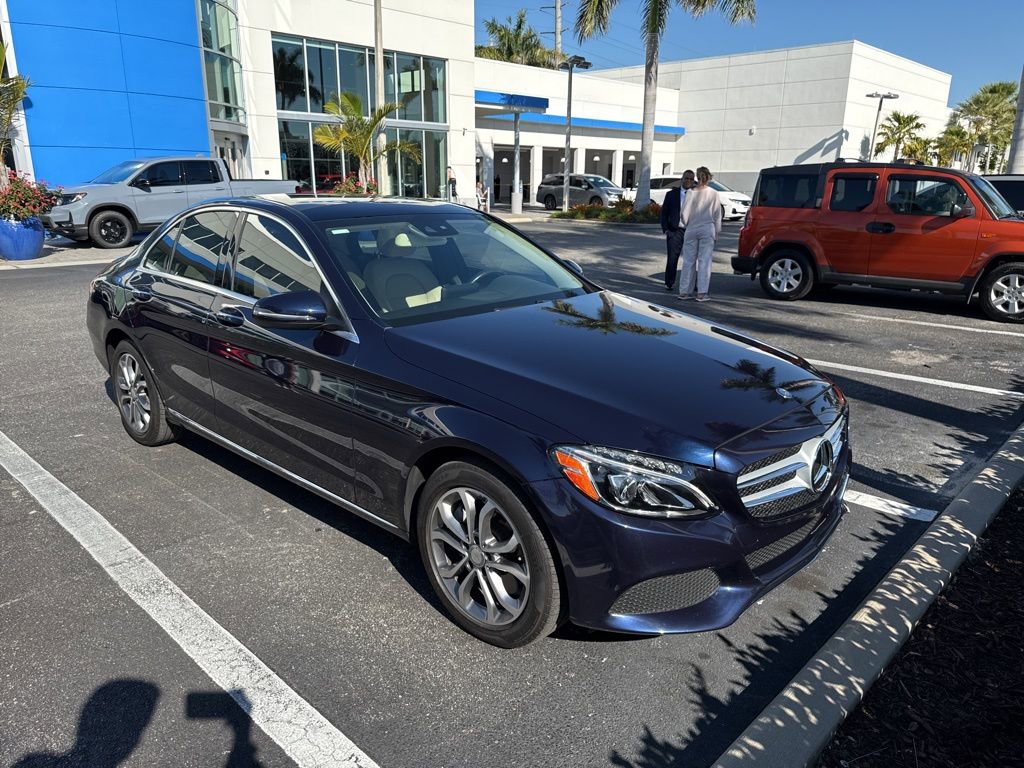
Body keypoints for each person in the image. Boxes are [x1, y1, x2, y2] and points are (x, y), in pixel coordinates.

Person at [678, 166, 722, 302]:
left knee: (688, 261)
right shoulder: (714, 193)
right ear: (708, 177)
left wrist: (687, 223)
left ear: (697, 177)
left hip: (692, 228)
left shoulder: (691, 193)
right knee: (704, 261)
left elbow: (684, 213)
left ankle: (684, 291)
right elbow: (717, 215)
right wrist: (717, 231)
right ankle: (702, 292)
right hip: (707, 228)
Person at [659, 169, 695, 291]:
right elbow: (664, 213)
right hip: (675, 231)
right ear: (682, 179)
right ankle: (669, 282)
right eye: (686, 178)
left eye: (691, 179)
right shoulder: (671, 194)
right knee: (672, 258)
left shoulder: (696, 195)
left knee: (691, 259)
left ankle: (692, 283)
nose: (688, 181)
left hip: (691, 231)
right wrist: (666, 230)